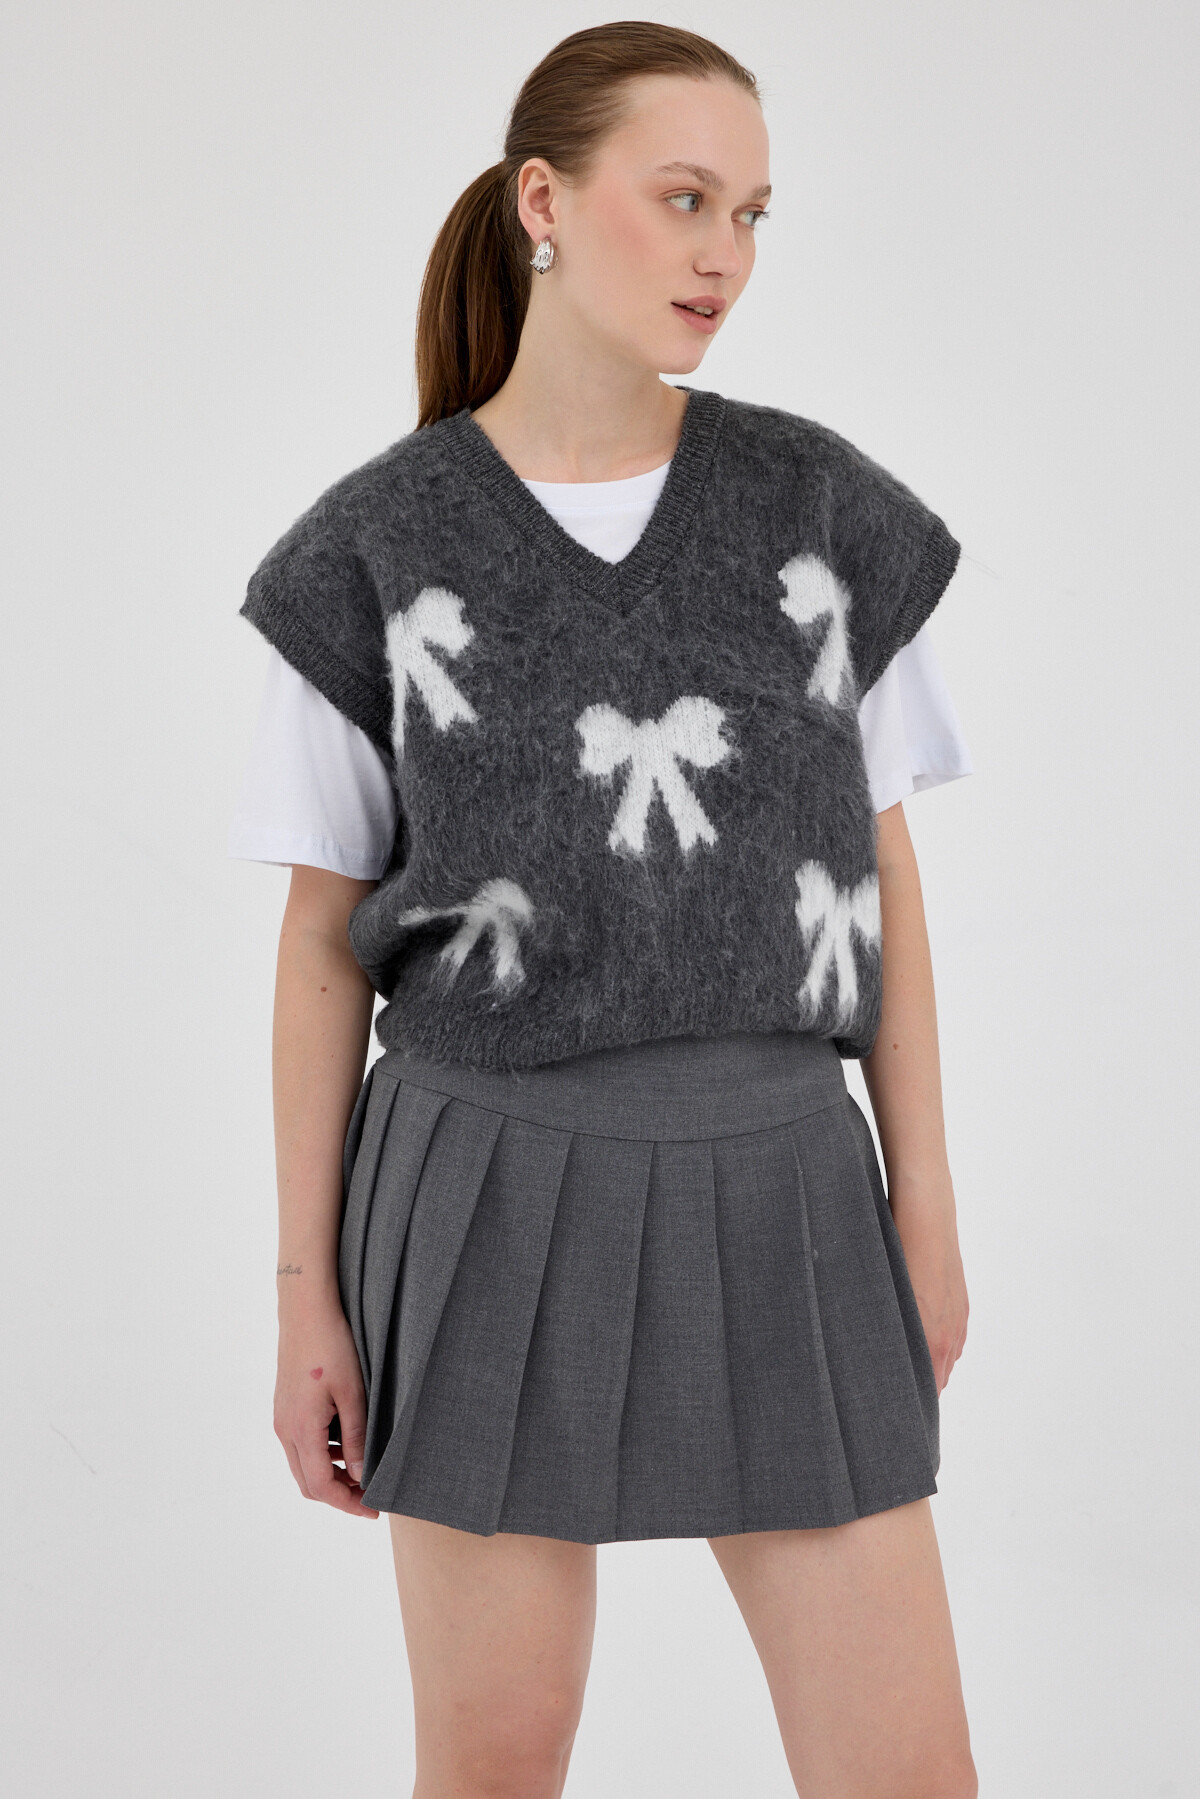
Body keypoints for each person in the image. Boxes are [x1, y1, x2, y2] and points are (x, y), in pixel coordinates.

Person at [230, 22, 978, 1799]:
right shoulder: (370, 551)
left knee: (907, 1776)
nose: (726, 252)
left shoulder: (819, 510)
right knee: (494, 1765)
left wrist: (928, 1202)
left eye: (753, 213)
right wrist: (305, 1297)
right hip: (479, 1187)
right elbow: (322, 949)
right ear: (544, 202)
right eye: (686, 199)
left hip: (787, 1181)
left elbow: (879, 875)